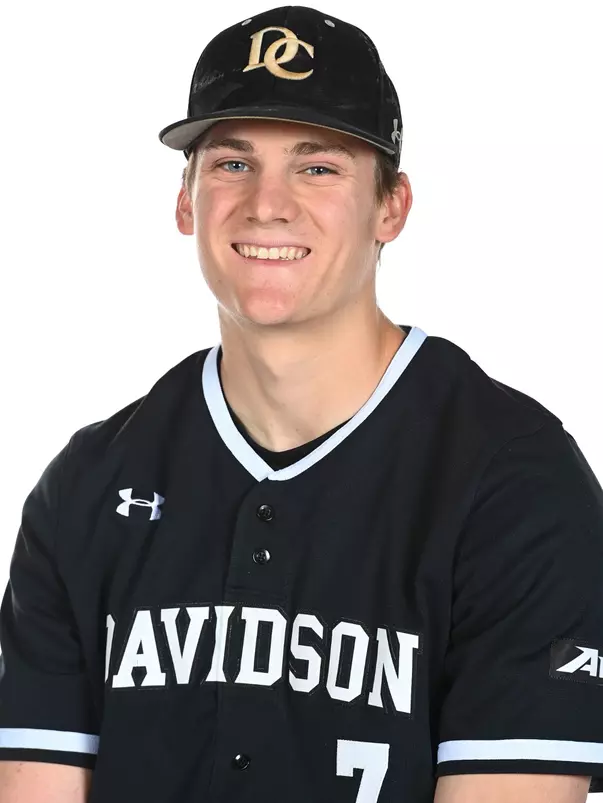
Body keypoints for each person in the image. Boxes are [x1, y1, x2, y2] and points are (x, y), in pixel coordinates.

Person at [1, 5, 602, 803]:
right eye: (231, 164)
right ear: (185, 203)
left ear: (391, 207)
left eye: (317, 167)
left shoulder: (515, 484)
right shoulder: (85, 486)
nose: (266, 204)